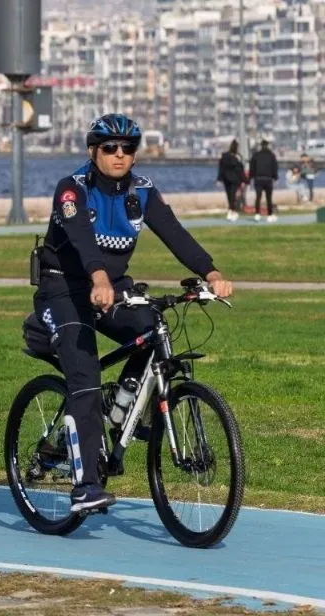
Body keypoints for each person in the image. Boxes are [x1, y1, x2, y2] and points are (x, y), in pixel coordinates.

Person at [29, 113, 233, 514]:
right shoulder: (72, 190)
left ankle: (122, 402)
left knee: (151, 326)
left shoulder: (142, 191)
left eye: (128, 148)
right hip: (64, 289)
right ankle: (86, 486)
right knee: (85, 377)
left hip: (112, 287)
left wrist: (211, 272)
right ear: (93, 151)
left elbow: (175, 233)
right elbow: (84, 241)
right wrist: (100, 277)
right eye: (110, 148)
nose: (119, 154)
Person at [249, 139, 279, 223]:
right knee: (269, 198)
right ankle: (269, 215)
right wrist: (275, 177)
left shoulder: (256, 155)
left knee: (258, 197)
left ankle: (257, 214)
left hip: (258, 179)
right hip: (268, 179)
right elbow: (275, 167)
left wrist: (251, 177)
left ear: (261, 146)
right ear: (268, 146)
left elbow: (252, 167)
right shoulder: (271, 155)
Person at [215, 139, 245, 221]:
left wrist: (219, 179)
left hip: (226, 179)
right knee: (233, 196)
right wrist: (243, 180)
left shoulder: (224, 156)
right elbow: (240, 170)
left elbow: (221, 168)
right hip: (235, 179)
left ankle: (231, 211)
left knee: (229, 196)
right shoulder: (238, 157)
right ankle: (232, 211)